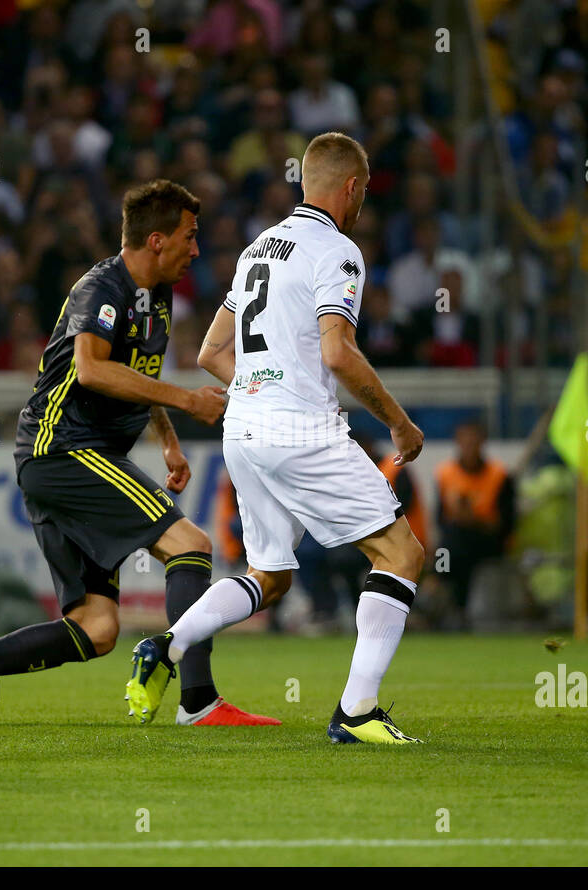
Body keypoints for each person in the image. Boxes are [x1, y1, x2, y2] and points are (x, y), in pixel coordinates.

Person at [0, 180, 278, 728]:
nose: (196, 250)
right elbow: (92, 369)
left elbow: (138, 376)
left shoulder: (161, 293)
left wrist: (169, 441)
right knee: (190, 546)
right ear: (156, 239)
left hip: (66, 460)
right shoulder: (101, 288)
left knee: (96, 628)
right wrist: (188, 400)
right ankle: (198, 701)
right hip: (61, 450)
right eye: (189, 237)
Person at [123, 132, 428, 744]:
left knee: (270, 573)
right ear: (349, 188)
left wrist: (266, 387)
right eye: (363, 189)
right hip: (300, 431)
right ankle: (358, 711)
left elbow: (211, 352)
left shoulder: (259, 248)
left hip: (246, 429)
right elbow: (339, 353)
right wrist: (397, 420)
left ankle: (167, 641)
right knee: (402, 554)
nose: (363, 200)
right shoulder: (337, 251)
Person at [434, 420, 516, 626]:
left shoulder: (499, 475)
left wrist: (474, 520)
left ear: (482, 442)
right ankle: (449, 600)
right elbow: (440, 518)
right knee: (449, 548)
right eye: (465, 441)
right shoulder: (445, 473)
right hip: (455, 541)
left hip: (489, 541)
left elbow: (507, 523)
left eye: (474, 441)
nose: (469, 446)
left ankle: (444, 597)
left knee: (454, 548)